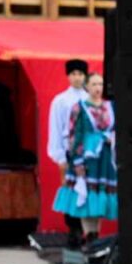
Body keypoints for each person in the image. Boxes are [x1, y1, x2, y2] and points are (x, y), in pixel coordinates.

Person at [52, 72, 117, 243]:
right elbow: (74, 135)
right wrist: (77, 160)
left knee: (99, 196)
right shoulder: (79, 107)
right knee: (86, 197)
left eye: (101, 84)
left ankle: (97, 237)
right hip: (86, 159)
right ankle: (89, 237)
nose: (98, 88)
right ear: (87, 87)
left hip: (104, 158)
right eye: (94, 84)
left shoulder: (110, 106)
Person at [47, 59, 89, 247]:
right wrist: (59, 156)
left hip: (89, 152)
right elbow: (55, 128)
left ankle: (88, 231)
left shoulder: (90, 98)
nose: (77, 78)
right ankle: (73, 229)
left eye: (80, 74)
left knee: (88, 190)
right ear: (68, 76)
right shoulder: (61, 100)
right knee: (71, 189)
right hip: (69, 151)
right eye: (73, 74)